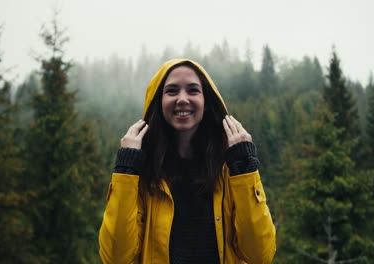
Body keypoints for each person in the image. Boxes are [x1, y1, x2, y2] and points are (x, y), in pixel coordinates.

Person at [98, 59, 276, 263]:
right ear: (159, 101)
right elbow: (115, 257)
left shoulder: (230, 169)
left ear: (207, 102)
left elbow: (260, 254)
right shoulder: (143, 172)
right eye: (172, 91)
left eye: (193, 90)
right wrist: (126, 170)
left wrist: (245, 167)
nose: (182, 99)